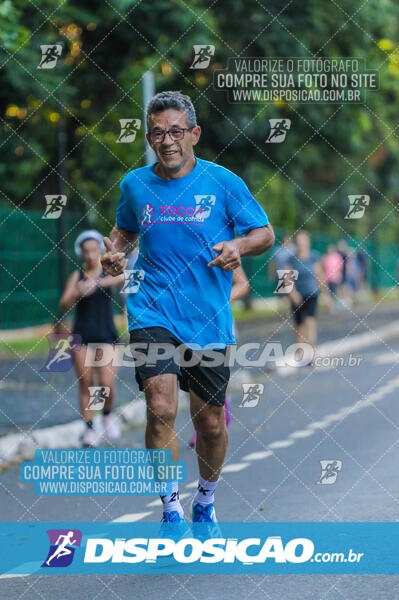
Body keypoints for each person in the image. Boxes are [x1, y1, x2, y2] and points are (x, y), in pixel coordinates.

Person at [101, 90, 274, 523]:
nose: (167, 141)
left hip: (208, 317)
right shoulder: (135, 185)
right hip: (151, 309)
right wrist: (116, 253)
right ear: (148, 138)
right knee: (160, 406)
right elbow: (123, 231)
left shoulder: (223, 182)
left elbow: (264, 233)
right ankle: (171, 507)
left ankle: (206, 500)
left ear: (194, 134)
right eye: (158, 133)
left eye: (176, 131)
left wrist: (237, 245)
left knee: (211, 422)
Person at [59, 230, 124, 447]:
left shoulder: (108, 273)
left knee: (106, 383)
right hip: (81, 336)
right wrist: (77, 291)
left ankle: (106, 414)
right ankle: (88, 429)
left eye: (94, 250)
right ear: (81, 253)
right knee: (86, 384)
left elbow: (124, 276)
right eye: (86, 251)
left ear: (100, 250)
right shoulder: (76, 277)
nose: (90, 255)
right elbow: (63, 305)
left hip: (106, 335)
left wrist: (96, 284)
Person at [188, 265, 250, 448]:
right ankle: (199, 428)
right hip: (186, 325)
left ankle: (224, 408)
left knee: (216, 379)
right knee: (190, 382)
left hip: (218, 326)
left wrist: (217, 302)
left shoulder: (221, 245)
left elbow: (243, 284)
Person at [286, 231, 326, 350]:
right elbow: (287, 279)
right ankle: (299, 349)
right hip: (297, 294)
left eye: (303, 241)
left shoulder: (314, 257)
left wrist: (326, 295)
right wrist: (292, 294)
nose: (301, 244)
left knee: (310, 321)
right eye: (299, 241)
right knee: (299, 325)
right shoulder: (291, 259)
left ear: (308, 242)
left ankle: (311, 348)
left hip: (311, 293)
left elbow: (320, 276)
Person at [321, 245, 343, 311]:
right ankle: (331, 306)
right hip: (328, 278)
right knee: (329, 292)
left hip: (335, 277)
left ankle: (336, 305)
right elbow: (323, 268)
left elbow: (340, 267)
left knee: (335, 291)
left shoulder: (337, 257)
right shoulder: (325, 257)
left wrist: (339, 275)